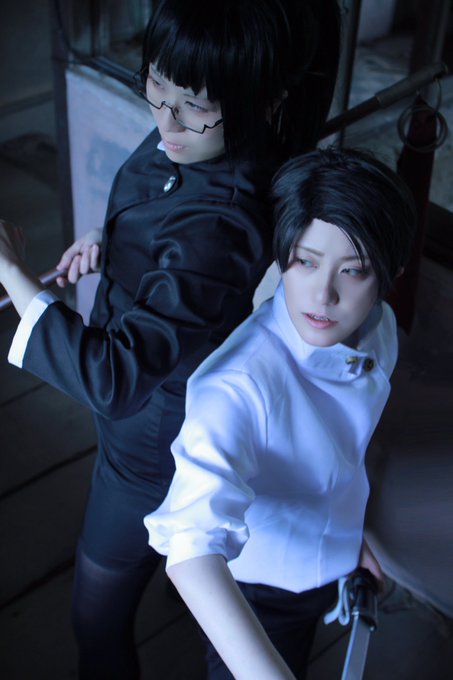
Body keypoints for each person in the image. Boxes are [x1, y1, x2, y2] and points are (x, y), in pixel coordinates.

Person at [0, 1, 340, 678]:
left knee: (94, 619)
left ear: (261, 101)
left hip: (151, 441)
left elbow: (114, 378)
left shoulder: (220, 218)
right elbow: (172, 234)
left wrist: (13, 273)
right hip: (159, 411)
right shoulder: (207, 137)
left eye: (193, 106)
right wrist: (113, 239)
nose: (167, 122)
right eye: (155, 88)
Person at [144, 147, 417, 679]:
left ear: (389, 276)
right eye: (305, 261)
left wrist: (350, 541)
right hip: (255, 590)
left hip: (327, 565)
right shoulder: (238, 387)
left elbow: (341, 456)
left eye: (353, 270)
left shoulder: (378, 327)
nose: (323, 294)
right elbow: (192, 549)